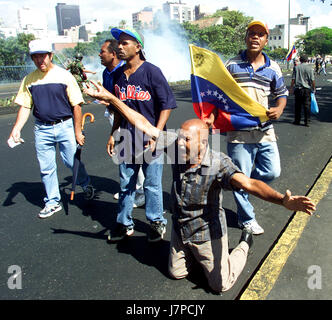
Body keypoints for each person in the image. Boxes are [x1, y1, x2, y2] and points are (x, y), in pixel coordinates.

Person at [83, 81, 316, 293]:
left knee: (220, 285)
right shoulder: (176, 146)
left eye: (186, 139)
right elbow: (143, 124)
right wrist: (112, 99)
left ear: (203, 143)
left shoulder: (219, 164)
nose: (179, 142)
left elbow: (249, 183)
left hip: (208, 232)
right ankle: (194, 255)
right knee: (176, 273)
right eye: (180, 136)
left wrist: (282, 201)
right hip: (181, 229)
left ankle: (244, 243)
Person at [206, 20, 288, 235]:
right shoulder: (231, 64)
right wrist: (211, 118)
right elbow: (218, 95)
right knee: (242, 178)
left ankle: (241, 182)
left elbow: (281, 94)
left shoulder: (273, 67)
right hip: (239, 133)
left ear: (266, 40)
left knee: (272, 171)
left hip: (265, 130)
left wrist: (279, 109)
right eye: (252, 33)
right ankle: (246, 218)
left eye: (260, 34)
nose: (255, 37)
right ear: (246, 37)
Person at [8, 39, 94, 219]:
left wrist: (77, 131)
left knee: (72, 162)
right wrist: (17, 128)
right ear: (32, 59)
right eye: (36, 57)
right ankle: (52, 201)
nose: (40, 60)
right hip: (42, 129)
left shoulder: (64, 76)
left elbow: (76, 105)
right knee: (46, 168)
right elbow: (25, 106)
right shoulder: (29, 80)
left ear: (51, 56)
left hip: (65, 126)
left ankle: (85, 184)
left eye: (43, 56)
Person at [107, 27, 177, 242]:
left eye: (125, 43)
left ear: (138, 47)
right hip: (127, 138)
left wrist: (156, 134)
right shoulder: (118, 75)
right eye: (118, 43)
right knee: (126, 182)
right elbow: (119, 108)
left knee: (152, 183)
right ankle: (124, 222)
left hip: (150, 140)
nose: (119, 46)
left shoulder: (152, 71)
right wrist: (112, 133)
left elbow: (166, 105)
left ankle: (156, 221)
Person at [99, 39, 145, 208]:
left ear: (113, 54)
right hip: (114, 116)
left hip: (130, 119)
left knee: (137, 154)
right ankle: (130, 188)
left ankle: (141, 192)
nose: (99, 54)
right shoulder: (106, 73)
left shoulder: (125, 72)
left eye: (103, 51)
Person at [290, 54, 316, 127]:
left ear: (300, 60)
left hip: (298, 89)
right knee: (306, 105)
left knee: (297, 105)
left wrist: (291, 88)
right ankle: (307, 121)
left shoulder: (296, 68)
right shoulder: (310, 68)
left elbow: (293, 79)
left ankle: (297, 120)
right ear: (307, 60)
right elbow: (312, 80)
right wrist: (314, 88)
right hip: (306, 89)